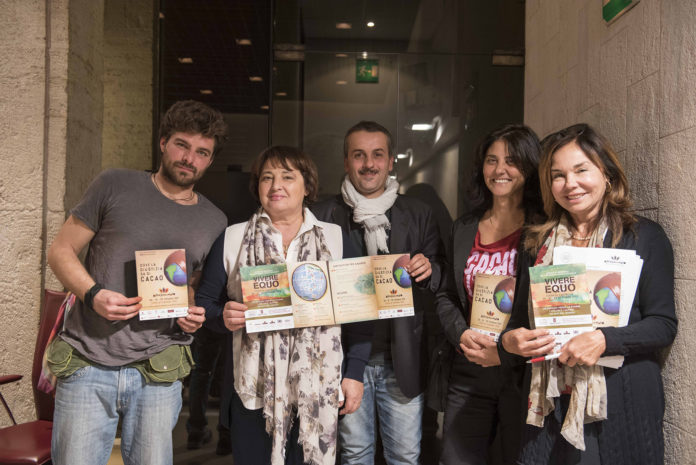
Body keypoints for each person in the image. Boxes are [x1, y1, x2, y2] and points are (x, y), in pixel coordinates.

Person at [46, 100, 228, 465]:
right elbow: (61, 251)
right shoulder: (114, 184)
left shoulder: (214, 220)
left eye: (202, 152)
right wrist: (93, 295)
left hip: (159, 367)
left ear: (210, 160)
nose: (189, 158)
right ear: (163, 142)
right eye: (182, 145)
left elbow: (191, 285)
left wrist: (190, 313)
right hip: (89, 359)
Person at [500, 123, 677, 464]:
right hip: (550, 406)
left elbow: (663, 324)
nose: (570, 184)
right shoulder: (537, 243)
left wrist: (604, 340)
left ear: (607, 174)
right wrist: (510, 342)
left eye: (581, 170)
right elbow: (517, 323)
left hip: (619, 402)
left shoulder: (642, 237)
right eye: (558, 175)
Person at [195, 146, 345, 465]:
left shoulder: (335, 238)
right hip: (253, 391)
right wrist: (223, 315)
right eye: (267, 177)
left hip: (316, 389)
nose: (276, 185)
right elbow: (205, 304)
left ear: (308, 186)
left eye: (288, 177)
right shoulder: (233, 237)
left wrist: (355, 373)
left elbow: (358, 314)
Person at [312, 121, 444, 465]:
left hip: (402, 359)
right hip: (343, 359)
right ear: (346, 162)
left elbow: (440, 275)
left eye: (377, 155)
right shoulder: (322, 216)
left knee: (405, 456)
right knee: (355, 455)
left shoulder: (418, 213)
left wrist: (429, 270)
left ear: (390, 162)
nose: (369, 164)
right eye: (359, 155)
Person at [435, 124, 543, 465]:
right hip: (470, 366)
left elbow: (549, 305)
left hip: (521, 373)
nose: (499, 170)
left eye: (511, 161)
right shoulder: (464, 227)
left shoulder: (544, 228)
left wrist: (504, 352)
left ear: (529, 165)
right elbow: (446, 295)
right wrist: (460, 333)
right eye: (491, 160)